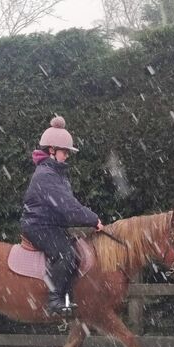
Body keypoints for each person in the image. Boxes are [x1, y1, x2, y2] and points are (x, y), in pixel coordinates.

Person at [21, 116, 103, 316]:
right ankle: (55, 300)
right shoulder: (46, 175)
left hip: (50, 225)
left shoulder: (55, 173)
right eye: (64, 151)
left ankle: (65, 296)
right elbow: (67, 207)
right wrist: (93, 219)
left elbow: (67, 206)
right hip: (38, 226)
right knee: (65, 254)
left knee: (74, 253)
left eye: (68, 152)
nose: (67, 156)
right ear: (51, 151)